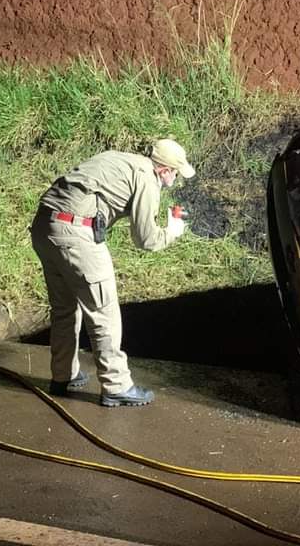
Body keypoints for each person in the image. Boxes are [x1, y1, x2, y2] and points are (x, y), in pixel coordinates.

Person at [31, 139, 194, 407]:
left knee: (65, 308)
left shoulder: (119, 158)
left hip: (44, 226)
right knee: (103, 310)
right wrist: (173, 230)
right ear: (164, 170)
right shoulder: (147, 178)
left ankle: (64, 375)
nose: (175, 179)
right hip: (76, 233)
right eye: (176, 173)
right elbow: (146, 240)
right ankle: (117, 385)